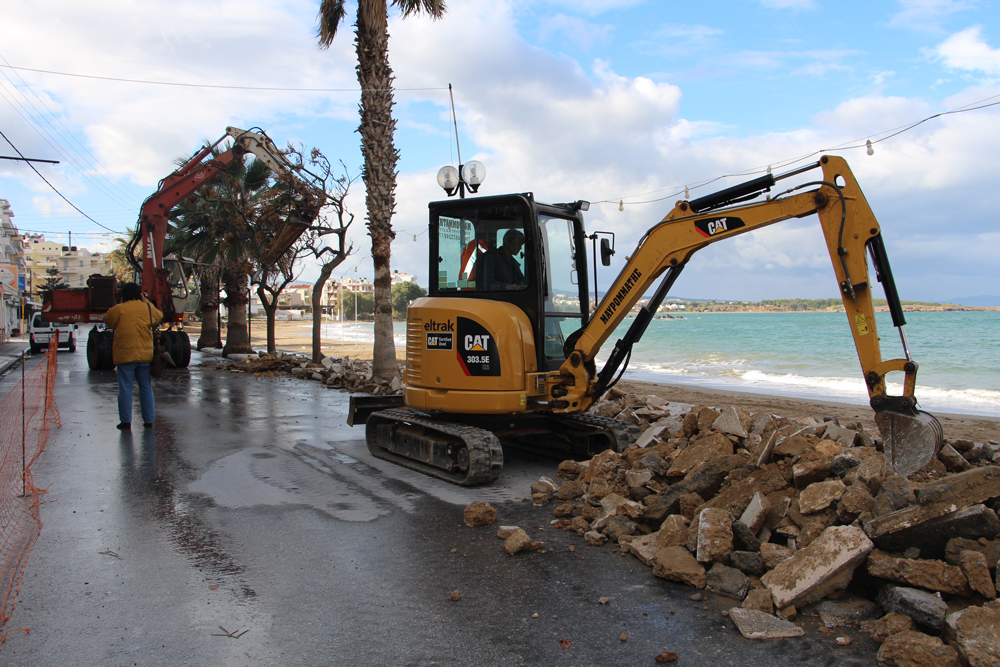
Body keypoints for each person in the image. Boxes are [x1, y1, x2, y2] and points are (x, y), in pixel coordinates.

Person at [103, 282, 162, 430]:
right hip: (145, 355)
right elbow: (159, 316)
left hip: (125, 355)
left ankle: (126, 421)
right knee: (146, 387)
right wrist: (146, 300)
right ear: (139, 295)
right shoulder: (148, 308)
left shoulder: (119, 310)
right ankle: (148, 420)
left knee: (125, 388)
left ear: (124, 295)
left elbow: (108, 321)